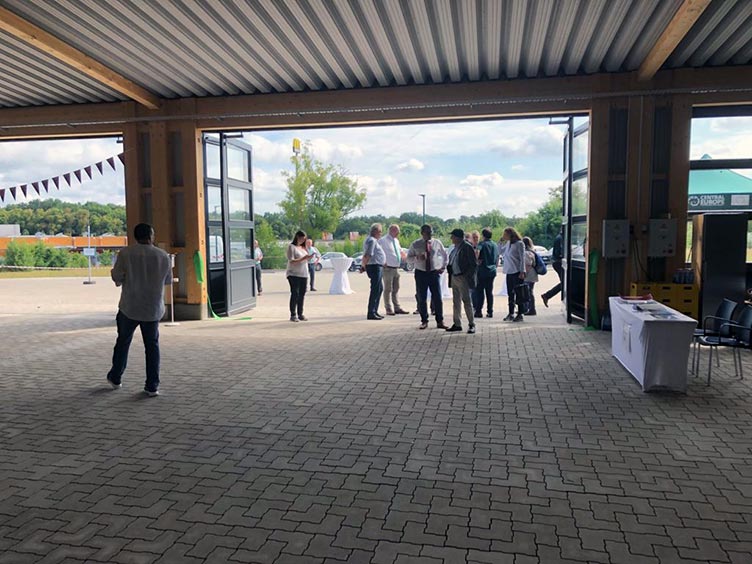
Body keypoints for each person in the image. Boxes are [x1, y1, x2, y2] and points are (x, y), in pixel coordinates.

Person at [106, 223, 172, 397]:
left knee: (123, 342)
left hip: (129, 306)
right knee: (152, 346)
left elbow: (117, 276)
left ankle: (116, 377)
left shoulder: (125, 253)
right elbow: (167, 280)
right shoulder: (163, 255)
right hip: (152, 308)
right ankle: (152, 385)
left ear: (135, 236)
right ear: (151, 236)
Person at [407, 224, 448, 330]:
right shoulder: (416, 244)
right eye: (428, 232)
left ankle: (440, 320)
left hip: (434, 272)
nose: (430, 235)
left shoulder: (437, 242)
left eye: (431, 232)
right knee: (422, 298)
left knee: (437, 297)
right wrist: (417, 257)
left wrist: (443, 266)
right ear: (422, 233)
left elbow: (445, 255)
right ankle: (424, 321)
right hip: (421, 273)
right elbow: (408, 259)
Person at [446, 228, 478, 334]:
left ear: (458, 237)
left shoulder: (467, 247)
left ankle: (471, 324)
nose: (451, 238)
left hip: (462, 277)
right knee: (456, 301)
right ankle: (457, 323)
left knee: (466, 301)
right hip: (454, 276)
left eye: (453, 236)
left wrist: (467, 276)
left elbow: (473, 264)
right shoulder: (455, 248)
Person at [379, 224, 409, 315]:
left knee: (396, 288)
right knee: (388, 289)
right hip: (387, 268)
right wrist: (382, 262)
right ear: (392, 230)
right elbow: (378, 252)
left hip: (396, 268)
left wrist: (404, 255)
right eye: (397, 231)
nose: (398, 233)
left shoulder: (396, 241)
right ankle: (388, 308)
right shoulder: (383, 240)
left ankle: (397, 307)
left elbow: (400, 251)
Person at [360, 223, 386, 320]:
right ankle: (371, 312)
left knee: (379, 288)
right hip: (374, 266)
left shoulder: (371, 240)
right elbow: (368, 254)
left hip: (376, 266)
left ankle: (374, 310)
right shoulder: (372, 240)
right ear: (375, 231)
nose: (381, 234)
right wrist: (363, 265)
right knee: (375, 289)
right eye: (380, 232)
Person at [500, 226, 526, 322]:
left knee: (519, 293)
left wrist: (522, 271)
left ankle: (520, 313)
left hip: (517, 271)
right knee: (510, 293)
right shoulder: (508, 243)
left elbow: (522, 258)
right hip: (509, 271)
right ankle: (511, 313)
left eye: (505, 234)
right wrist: (500, 243)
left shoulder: (519, 244)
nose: (504, 236)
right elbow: (500, 251)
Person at [473, 228, 499, 318]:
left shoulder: (482, 244)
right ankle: (490, 311)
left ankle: (478, 311)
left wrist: (476, 260)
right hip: (492, 271)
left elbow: (477, 252)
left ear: (483, 235)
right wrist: (495, 266)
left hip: (482, 270)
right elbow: (497, 256)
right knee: (489, 292)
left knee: (480, 291)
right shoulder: (494, 245)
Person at [287, 231, 310, 322]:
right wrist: (303, 258)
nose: (302, 241)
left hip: (304, 273)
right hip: (293, 274)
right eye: (301, 238)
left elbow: (306, 259)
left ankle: (300, 313)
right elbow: (291, 260)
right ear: (297, 237)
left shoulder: (303, 248)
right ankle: (293, 314)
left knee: (302, 294)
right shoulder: (291, 247)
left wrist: (309, 258)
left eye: (304, 239)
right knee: (295, 293)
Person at [542, 227, 564, 307]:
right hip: (559, 263)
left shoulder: (559, 237)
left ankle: (547, 295)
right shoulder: (561, 238)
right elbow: (559, 253)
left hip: (556, 262)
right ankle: (547, 295)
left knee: (564, 283)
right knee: (565, 283)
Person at [522, 236, 539, 316]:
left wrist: (524, 273)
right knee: (529, 291)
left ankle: (531, 309)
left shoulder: (526, 253)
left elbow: (528, 265)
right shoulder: (532, 252)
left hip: (529, 275)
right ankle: (528, 308)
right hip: (533, 274)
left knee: (528, 292)